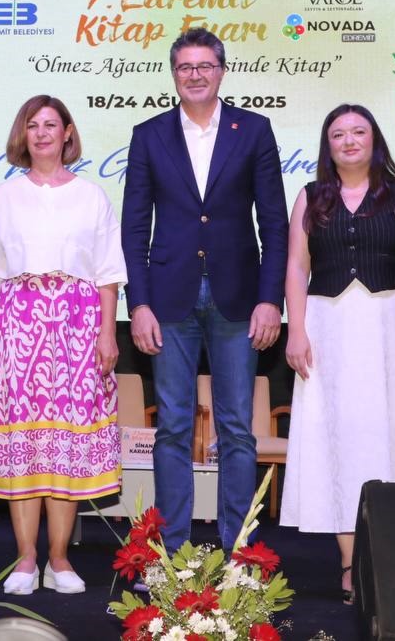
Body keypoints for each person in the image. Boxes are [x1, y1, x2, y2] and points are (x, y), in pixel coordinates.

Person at [120, 28, 288, 551]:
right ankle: (173, 554)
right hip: (168, 301)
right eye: (185, 67)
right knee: (172, 427)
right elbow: (134, 228)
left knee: (236, 428)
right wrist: (138, 303)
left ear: (221, 71)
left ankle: (239, 553)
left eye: (204, 66)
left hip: (239, 299)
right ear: (174, 74)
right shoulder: (149, 134)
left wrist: (271, 300)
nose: (195, 75)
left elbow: (275, 224)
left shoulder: (254, 129)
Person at [279, 104, 395, 604]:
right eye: (338, 134)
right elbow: (296, 266)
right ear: (327, 144)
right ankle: (351, 563)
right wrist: (296, 329)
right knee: (338, 442)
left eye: (358, 131)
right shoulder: (310, 196)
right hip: (327, 327)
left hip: (393, 325)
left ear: (375, 139)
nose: (349, 140)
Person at [0, 95, 125, 595]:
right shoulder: (4, 196)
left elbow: (108, 274)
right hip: (17, 327)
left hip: (78, 328)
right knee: (24, 444)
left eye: (50, 124)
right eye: (32, 125)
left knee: (65, 445)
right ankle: (26, 559)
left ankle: (59, 558)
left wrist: (107, 332)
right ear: (22, 134)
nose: (41, 133)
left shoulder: (92, 196)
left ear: (67, 132)